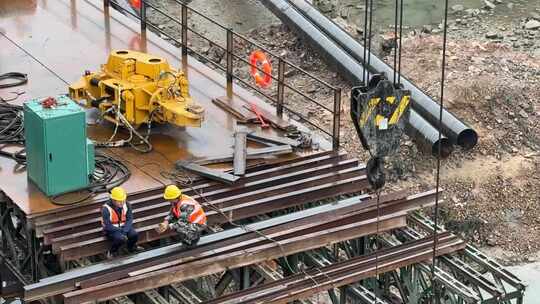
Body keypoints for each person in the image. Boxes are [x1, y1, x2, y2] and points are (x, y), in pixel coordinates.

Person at [101, 187, 139, 257]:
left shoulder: (127, 204)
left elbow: (129, 219)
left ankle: (130, 248)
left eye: (123, 200)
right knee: (120, 239)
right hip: (112, 229)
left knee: (134, 235)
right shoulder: (106, 209)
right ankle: (112, 251)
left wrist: (125, 230)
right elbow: (108, 226)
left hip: (124, 227)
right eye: (119, 201)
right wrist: (121, 231)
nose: (122, 203)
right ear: (113, 200)